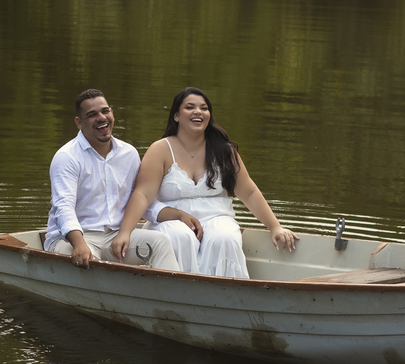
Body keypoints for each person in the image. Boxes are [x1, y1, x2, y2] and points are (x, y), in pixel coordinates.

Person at [113, 87, 298, 277]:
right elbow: (142, 194)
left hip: (217, 217)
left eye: (204, 108)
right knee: (179, 237)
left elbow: (249, 192)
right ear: (176, 116)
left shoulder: (224, 151)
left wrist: (275, 226)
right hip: (171, 220)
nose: (198, 112)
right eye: (190, 107)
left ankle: (224, 297)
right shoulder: (160, 149)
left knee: (224, 239)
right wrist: (125, 232)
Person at [45, 89, 203, 270]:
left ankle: (173, 296)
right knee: (90, 263)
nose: (101, 118)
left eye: (105, 111)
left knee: (161, 242)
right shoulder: (67, 157)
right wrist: (79, 243)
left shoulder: (128, 154)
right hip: (74, 237)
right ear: (79, 122)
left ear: (112, 113)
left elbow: (141, 202)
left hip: (115, 236)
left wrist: (179, 215)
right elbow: (63, 207)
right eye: (92, 115)